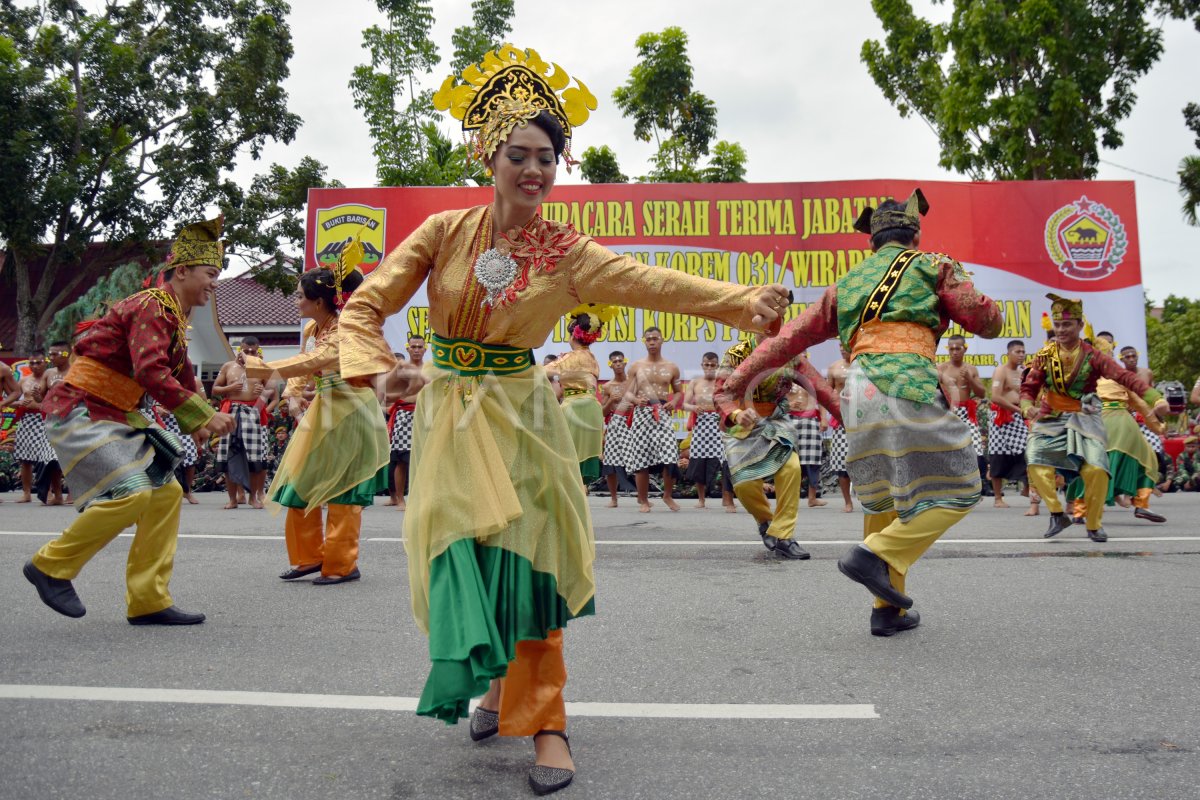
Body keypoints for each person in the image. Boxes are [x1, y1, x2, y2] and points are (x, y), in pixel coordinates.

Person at [333, 44, 791, 795]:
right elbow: (363, 304)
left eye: (547, 157)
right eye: (520, 155)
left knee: (530, 566)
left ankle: (547, 722)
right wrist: (384, 369)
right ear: (491, 156)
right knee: (469, 562)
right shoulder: (444, 233)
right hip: (451, 412)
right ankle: (491, 688)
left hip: (522, 417)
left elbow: (649, 282)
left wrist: (740, 302)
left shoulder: (565, 250)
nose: (535, 171)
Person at [720, 189, 1005, 637]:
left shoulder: (847, 284)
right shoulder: (932, 266)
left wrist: (733, 384)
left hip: (859, 391)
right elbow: (985, 320)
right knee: (965, 486)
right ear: (913, 235)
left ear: (872, 243)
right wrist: (971, 293)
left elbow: (784, 343)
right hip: (906, 381)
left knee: (881, 498)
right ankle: (878, 554)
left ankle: (884, 610)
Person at [23, 218, 235, 624]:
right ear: (183, 271)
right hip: (82, 406)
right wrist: (204, 415)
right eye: (211, 274)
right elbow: (152, 373)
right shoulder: (151, 305)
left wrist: (202, 422)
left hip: (117, 413)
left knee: (165, 494)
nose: (215, 283)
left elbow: (179, 374)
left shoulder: (174, 315)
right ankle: (50, 566)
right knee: (132, 493)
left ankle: (148, 599)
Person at [244, 261, 389, 586]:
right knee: (300, 483)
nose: (296, 301)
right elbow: (304, 368)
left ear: (319, 301)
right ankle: (309, 557)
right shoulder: (314, 330)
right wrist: (293, 395)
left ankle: (341, 563)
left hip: (352, 412)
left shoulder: (346, 330)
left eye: (299, 296)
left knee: (344, 488)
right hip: (324, 410)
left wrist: (261, 367)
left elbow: (313, 360)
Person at [1021, 295, 1168, 543]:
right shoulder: (1045, 355)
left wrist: (1155, 398)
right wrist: (1026, 406)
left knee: (1097, 469)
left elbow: (1125, 377)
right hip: (1051, 417)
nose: (1061, 330)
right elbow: (1029, 387)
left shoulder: (1093, 356)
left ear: (1080, 325)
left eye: (1067, 325)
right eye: (1057, 325)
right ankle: (1058, 514)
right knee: (1035, 461)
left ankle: (1093, 524)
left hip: (1084, 417)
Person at [718, 338, 840, 560]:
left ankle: (784, 536)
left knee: (791, 467)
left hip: (775, 420)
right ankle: (766, 522)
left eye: (779, 310)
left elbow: (820, 388)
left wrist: (847, 415)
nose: (772, 318)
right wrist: (736, 414)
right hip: (743, 423)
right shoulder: (736, 354)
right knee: (744, 484)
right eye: (767, 309)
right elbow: (721, 394)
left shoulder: (791, 353)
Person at [1090, 334, 1166, 523]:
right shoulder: (1118, 376)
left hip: (1096, 423)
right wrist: (1159, 426)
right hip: (1121, 421)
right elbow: (1141, 404)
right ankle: (1140, 503)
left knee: (1092, 462)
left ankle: (1079, 508)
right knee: (1147, 459)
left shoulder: (1086, 378)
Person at [546, 305, 612, 486]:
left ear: (573, 335)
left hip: (574, 406)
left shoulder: (570, 358)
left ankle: (574, 495)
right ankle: (582, 492)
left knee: (568, 456)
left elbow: (543, 373)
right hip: (591, 406)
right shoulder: (591, 358)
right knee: (582, 462)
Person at [625, 327, 683, 513]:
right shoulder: (636, 366)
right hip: (642, 413)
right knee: (641, 457)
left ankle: (667, 495)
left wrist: (673, 401)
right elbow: (627, 393)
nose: (651, 342)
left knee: (670, 456)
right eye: (648, 339)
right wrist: (636, 400)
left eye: (655, 338)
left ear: (661, 340)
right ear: (644, 341)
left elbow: (678, 392)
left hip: (663, 413)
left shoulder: (672, 367)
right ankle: (643, 500)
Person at [211, 337, 273, 509]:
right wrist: (229, 389)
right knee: (229, 456)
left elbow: (272, 389)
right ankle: (233, 499)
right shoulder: (228, 366)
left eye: (253, 351)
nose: (250, 354)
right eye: (246, 351)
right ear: (240, 350)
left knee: (255, 459)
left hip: (253, 413)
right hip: (231, 412)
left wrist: (263, 390)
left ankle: (253, 497)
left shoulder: (261, 367)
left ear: (258, 350)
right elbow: (215, 389)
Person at [682, 352, 735, 510]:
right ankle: (701, 499)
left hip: (719, 425)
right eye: (707, 364)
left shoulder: (723, 383)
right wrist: (693, 407)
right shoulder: (695, 383)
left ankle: (727, 498)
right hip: (701, 426)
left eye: (713, 365)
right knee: (699, 462)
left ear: (717, 366)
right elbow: (684, 404)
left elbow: (730, 402)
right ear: (702, 365)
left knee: (726, 461)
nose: (709, 368)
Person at [938, 333, 989, 493]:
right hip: (947, 412)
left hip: (967, 413)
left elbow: (981, 393)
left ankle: (974, 487)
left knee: (975, 450)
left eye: (958, 348)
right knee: (947, 450)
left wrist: (970, 379)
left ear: (964, 349)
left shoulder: (970, 369)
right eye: (951, 348)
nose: (954, 352)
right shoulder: (942, 369)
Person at [382, 336, 428, 510]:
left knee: (424, 458)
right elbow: (388, 394)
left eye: (420, 347)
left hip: (425, 416)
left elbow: (432, 393)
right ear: (408, 349)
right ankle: (400, 499)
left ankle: (420, 498)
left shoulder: (429, 370)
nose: (416, 349)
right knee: (401, 459)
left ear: (425, 349)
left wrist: (412, 397)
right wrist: (406, 398)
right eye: (413, 346)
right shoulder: (400, 371)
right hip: (403, 416)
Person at [4, 352, 54, 503]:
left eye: (38, 363)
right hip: (26, 420)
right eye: (31, 363)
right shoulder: (24, 380)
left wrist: (40, 405)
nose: (35, 366)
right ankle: (26, 493)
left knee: (46, 457)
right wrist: (19, 403)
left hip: (44, 419)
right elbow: (10, 399)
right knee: (25, 459)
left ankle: (49, 492)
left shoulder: (51, 380)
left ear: (45, 363)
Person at [988, 340, 1028, 507]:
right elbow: (995, 397)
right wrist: (1018, 410)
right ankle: (998, 498)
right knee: (999, 454)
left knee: (1027, 450)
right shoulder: (1000, 371)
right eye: (1017, 351)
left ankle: (1027, 486)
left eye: (1022, 352)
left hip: (1018, 419)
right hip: (1001, 418)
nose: (1021, 355)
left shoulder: (1022, 372)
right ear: (1008, 354)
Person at [786, 366, 827, 508]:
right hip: (790, 419)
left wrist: (823, 418)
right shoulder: (783, 377)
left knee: (813, 460)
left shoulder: (813, 379)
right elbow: (774, 400)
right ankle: (791, 498)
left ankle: (812, 498)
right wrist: (788, 404)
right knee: (789, 460)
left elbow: (822, 399)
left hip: (810, 421)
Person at [599, 350, 634, 507]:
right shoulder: (607, 387)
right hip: (614, 424)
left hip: (633, 423)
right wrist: (610, 401)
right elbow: (602, 412)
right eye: (615, 361)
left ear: (625, 363)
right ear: (610, 365)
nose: (618, 364)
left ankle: (643, 498)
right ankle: (614, 498)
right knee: (611, 462)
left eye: (620, 361)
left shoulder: (633, 383)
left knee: (639, 460)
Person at [825, 345, 854, 512]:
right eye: (840, 346)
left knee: (866, 460)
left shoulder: (862, 366)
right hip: (841, 419)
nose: (842, 349)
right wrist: (824, 416)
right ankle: (847, 502)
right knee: (841, 464)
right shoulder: (833, 368)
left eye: (846, 346)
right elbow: (826, 394)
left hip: (862, 418)